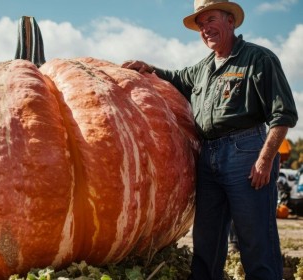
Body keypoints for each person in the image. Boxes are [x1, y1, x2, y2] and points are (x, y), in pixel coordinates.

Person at [122, 0, 298, 279]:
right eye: (201, 24)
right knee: (207, 239)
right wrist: (148, 67)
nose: (205, 28)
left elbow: (283, 115)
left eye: (211, 19)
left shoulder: (258, 59)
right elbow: (175, 77)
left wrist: (265, 160)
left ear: (231, 21)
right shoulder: (203, 68)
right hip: (209, 155)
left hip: (246, 151)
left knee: (254, 240)